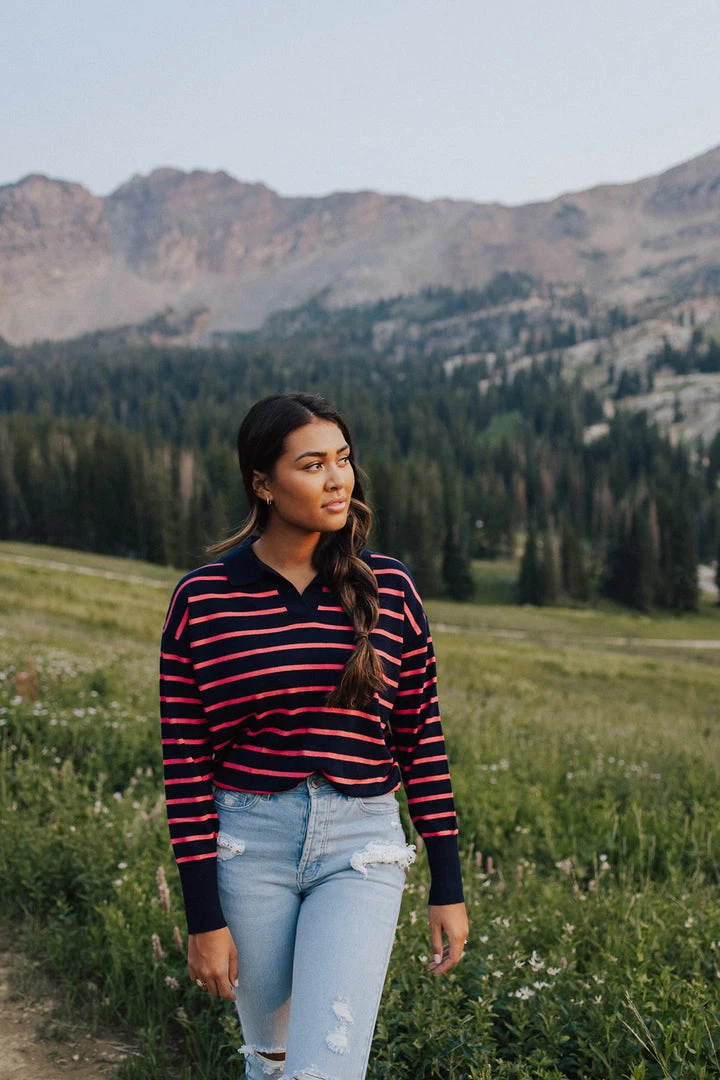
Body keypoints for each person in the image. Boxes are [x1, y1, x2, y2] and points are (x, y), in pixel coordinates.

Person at [160, 392, 468, 1080]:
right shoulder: (203, 601)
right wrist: (203, 917)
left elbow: (421, 739)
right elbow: (185, 767)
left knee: (325, 1069)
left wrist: (446, 883)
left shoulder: (391, 589)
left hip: (362, 849)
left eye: (343, 459)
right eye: (312, 464)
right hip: (249, 848)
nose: (337, 479)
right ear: (262, 484)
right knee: (271, 1063)